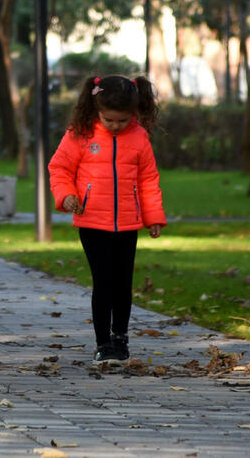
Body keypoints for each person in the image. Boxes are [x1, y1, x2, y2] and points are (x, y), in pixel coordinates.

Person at [48, 74, 166, 366]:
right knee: (103, 282)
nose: (115, 126)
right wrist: (66, 196)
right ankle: (103, 343)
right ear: (96, 108)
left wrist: (153, 217)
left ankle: (121, 338)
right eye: (108, 119)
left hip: (127, 223)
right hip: (91, 222)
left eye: (122, 121)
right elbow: (59, 168)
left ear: (134, 113)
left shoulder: (139, 138)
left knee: (123, 283)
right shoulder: (80, 134)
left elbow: (149, 179)